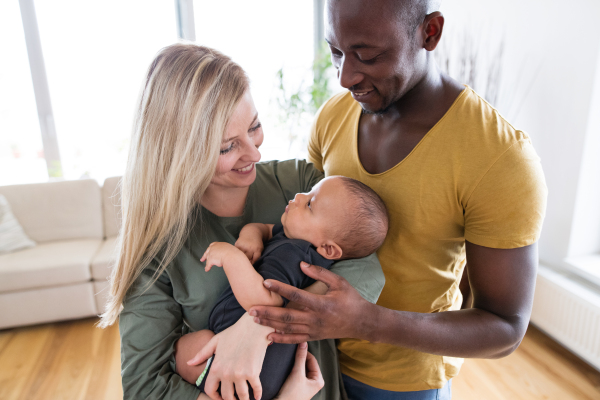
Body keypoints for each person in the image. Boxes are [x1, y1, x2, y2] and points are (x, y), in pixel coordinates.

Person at [248, 0, 548, 399]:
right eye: (336, 51)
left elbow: (505, 328)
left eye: (367, 55)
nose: (344, 76)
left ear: (430, 33)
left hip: (401, 386)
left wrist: (368, 322)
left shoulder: (501, 158)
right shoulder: (334, 116)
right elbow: (309, 231)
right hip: (311, 363)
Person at [97, 43, 385, 400]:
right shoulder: (159, 244)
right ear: (179, 153)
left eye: (255, 127)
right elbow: (144, 387)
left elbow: (367, 270)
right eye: (226, 147)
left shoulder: (299, 186)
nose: (254, 153)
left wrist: (258, 328)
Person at [175, 176, 388, 400]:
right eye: (308, 192)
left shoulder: (294, 256)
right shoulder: (294, 237)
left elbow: (267, 304)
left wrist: (232, 257)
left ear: (328, 248)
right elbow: (265, 229)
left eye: (309, 204)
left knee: (185, 351)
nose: (298, 197)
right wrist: (252, 234)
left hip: (257, 370)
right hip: (265, 369)